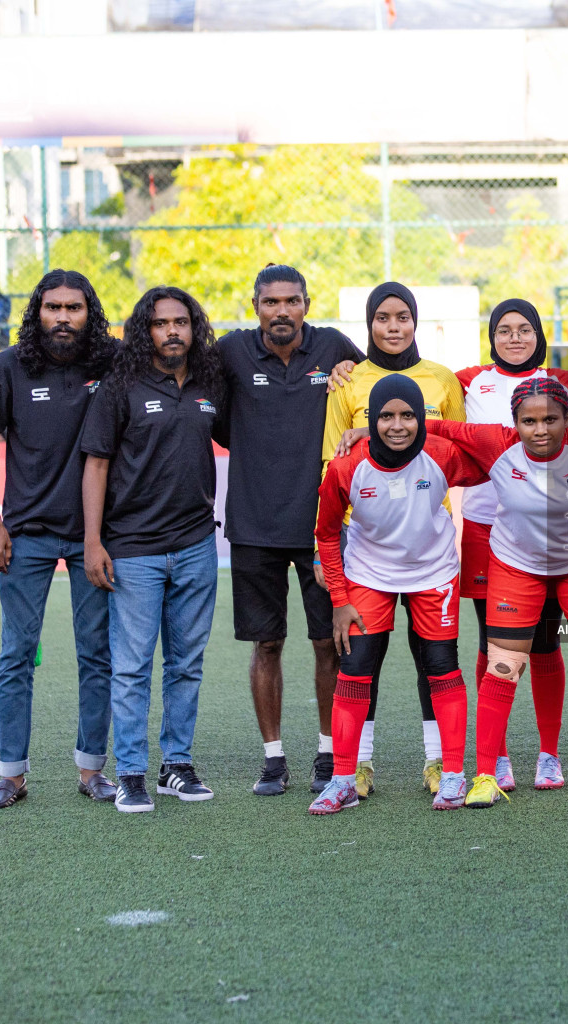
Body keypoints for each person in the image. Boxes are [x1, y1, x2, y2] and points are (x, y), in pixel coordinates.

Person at [419, 378, 568, 805]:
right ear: (514, 423)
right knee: (503, 666)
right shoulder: (495, 442)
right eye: (528, 421)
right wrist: (368, 432)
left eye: (551, 419)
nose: (541, 430)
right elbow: (440, 428)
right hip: (517, 566)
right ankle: (485, 777)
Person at [214, 265, 365, 797]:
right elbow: (210, 414)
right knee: (267, 643)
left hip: (321, 526)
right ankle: (273, 759)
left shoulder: (334, 348)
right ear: (255, 304)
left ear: (306, 303)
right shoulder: (230, 352)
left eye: (292, 301)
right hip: (253, 525)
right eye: (270, 302)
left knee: (329, 642)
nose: (282, 311)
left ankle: (329, 753)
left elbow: (376, 393)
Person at [0, 270, 119, 809]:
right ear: (38, 312)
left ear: (89, 313)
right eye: (53, 307)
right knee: (16, 653)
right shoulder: (9, 365)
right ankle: (10, 775)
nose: (63, 317)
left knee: (97, 654)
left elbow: (180, 361)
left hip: (94, 536)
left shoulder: (111, 361)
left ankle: (92, 770)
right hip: (27, 534)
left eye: (74, 308)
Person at [311, 374, 487, 813]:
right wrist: (339, 600)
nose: (397, 425)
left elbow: (492, 451)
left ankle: (451, 776)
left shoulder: (441, 453)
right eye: (385, 416)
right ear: (370, 419)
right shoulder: (348, 465)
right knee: (355, 668)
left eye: (408, 415)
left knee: (442, 667)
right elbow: (327, 534)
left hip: (434, 573)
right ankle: (344, 780)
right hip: (369, 575)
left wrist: (440, 426)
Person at [81, 286, 224, 813]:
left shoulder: (210, 383)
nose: (172, 331)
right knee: (132, 666)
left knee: (186, 662)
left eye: (181, 322)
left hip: (194, 544)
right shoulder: (121, 385)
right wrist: (93, 541)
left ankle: (177, 766)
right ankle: (132, 773)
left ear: (194, 328)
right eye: (161, 323)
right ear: (146, 330)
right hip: (133, 549)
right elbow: (95, 463)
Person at [320, 282, 465, 800]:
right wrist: (329, 557)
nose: (394, 326)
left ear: (416, 320)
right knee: (362, 662)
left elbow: (462, 449)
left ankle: (440, 765)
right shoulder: (348, 381)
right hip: (369, 552)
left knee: (436, 661)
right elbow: (330, 468)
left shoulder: (443, 379)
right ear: (369, 323)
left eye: (403, 316)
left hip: (429, 548)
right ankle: (355, 768)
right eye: (383, 317)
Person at [453, 299, 568, 791]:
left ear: (539, 335)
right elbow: (411, 384)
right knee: (495, 641)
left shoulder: (565, 382)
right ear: (492, 338)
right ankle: (499, 755)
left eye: (523, 329)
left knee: (547, 641)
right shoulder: (469, 381)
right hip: (488, 528)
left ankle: (548, 754)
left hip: (548, 533)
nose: (513, 338)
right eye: (503, 330)